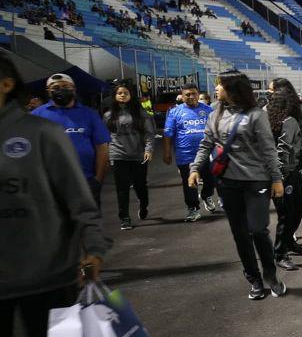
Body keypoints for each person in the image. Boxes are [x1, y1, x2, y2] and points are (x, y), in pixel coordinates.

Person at [1, 55, 113, 337]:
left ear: (6, 84)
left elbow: (79, 199)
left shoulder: (41, 134)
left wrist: (94, 246)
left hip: (44, 270)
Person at [189, 71, 286, 300]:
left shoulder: (256, 115)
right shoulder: (215, 114)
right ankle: (254, 279)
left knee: (257, 230)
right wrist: (195, 168)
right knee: (240, 234)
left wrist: (276, 178)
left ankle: (271, 275)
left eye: (219, 86)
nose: (216, 89)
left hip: (256, 181)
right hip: (227, 183)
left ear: (233, 89)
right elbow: (206, 144)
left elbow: (268, 149)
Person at [31, 74, 110, 207]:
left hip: (85, 182)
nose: (60, 90)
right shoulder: (37, 116)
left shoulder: (89, 114)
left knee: (88, 225)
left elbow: (102, 147)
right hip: (50, 186)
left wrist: (97, 180)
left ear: (73, 89)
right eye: (55, 87)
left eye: (65, 86)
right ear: (48, 91)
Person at [104, 82, 156, 230]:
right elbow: (104, 137)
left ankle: (143, 203)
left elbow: (149, 134)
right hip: (118, 155)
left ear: (131, 95)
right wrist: (106, 155)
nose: (122, 95)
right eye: (119, 93)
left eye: (125, 93)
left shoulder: (141, 113)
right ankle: (125, 217)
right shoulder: (108, 115)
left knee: (140, 185)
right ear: (114, 96)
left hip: (138, 155)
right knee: (122, 188)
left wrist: (149, 149)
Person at [163, 83, 217, 221]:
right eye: (187, 94)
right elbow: (168, 134)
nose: (191, 97)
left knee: (211, 180)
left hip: (206, 154)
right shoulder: (174, 112)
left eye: (194, 94)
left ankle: (206, 194)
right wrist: (167, 152)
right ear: (182, 96)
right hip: (185, 154)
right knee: (190, 183)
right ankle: (193, 208)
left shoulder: (208, 110)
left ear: (198, 95)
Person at [267, 89, 302, 271]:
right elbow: (283, 150)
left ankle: (288, 241)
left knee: (295, 209)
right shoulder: (289, 121)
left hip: (281, 173)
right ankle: (280, 253)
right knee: (288, 213)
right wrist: (281, 176)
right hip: (286, 174)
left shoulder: (268, 118)